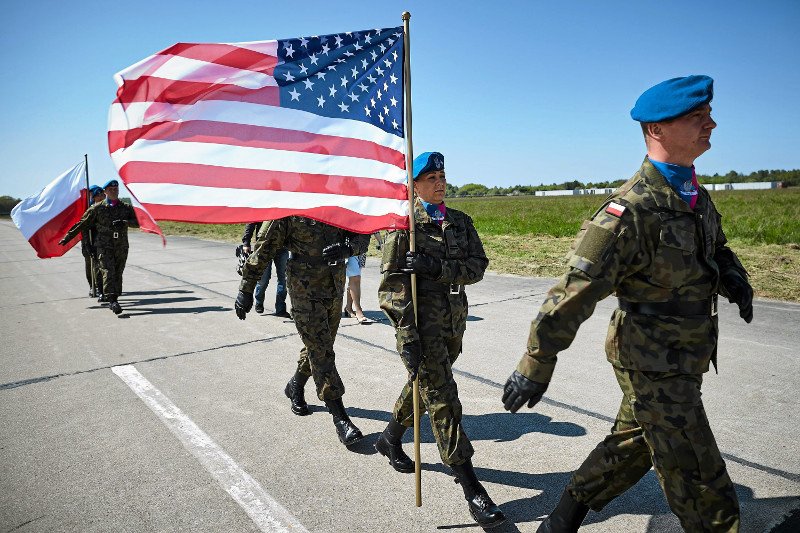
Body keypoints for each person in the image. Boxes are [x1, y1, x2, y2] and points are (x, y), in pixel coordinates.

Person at [501, 75, 753, 533]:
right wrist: (535, 362)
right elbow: (574, 290)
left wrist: (732, 273)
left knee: (636, 440)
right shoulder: (629, 211)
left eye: (708, 115)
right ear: (657, 129)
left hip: (687, 352)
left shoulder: (693, 194)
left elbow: (713, 246)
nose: (711, 124)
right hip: (651, 358)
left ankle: (561, 520)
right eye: (697, 117)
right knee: (702, 483)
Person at [377, 152, 506, 528]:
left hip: (453, 323)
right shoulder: (404, 227)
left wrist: (438, 268)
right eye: (430, 177)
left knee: (426, 387)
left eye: (442, 175)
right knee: (444, 399)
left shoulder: (460, 222)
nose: (439, 181)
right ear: (414, 185)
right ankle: (472, 486)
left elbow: (477, 267)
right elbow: (391, 288)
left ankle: (389, 437)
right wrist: (406, 335)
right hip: (420, 328)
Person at [234, 217, 370, 447]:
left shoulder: (338, 205)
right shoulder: (293, 208)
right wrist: (247, 288)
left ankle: (295, 385)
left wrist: (348, 248)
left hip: (334, 285)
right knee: (321, 350)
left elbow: (363, 233)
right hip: (303, 287)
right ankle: (340, 417)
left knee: (319, 346)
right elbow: (266, 245)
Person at [59, 179, 139, 315]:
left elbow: (138, 222)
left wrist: (125, 222)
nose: (114, 191)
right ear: (106, 191)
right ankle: (112, 300)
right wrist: (67, 237)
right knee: (108, 271)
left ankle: (115, 296)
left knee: (118, 272)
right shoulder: (97, 208)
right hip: (103, 246)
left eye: (116, 189)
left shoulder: (126, 208)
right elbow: (82, 224)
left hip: (121, 246)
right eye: (111, 189)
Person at [241, 222, 290, 317]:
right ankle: (259, 301)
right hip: (264, 247)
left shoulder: (286, 207)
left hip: (282, 247)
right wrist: (246, 242)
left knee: (283, 279)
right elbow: (251, 222)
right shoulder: (264, 206)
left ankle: (280, 308)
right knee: (264, 279)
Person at [81, 186, 106, 298]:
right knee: (90, 265)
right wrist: (87, 244)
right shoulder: (87, 208)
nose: (102, 196)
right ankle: (92, 286)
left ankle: (102, 288)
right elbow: (84, 228)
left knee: (101, 266)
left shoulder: (105, 207)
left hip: (101, 242)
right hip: (89, 242)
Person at [343, 252, 372, 324]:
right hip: (348, 248)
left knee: (354, 278)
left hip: (361, 249)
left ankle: (348, 308)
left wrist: (380, 242)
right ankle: (358, 310)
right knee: (355, 277)